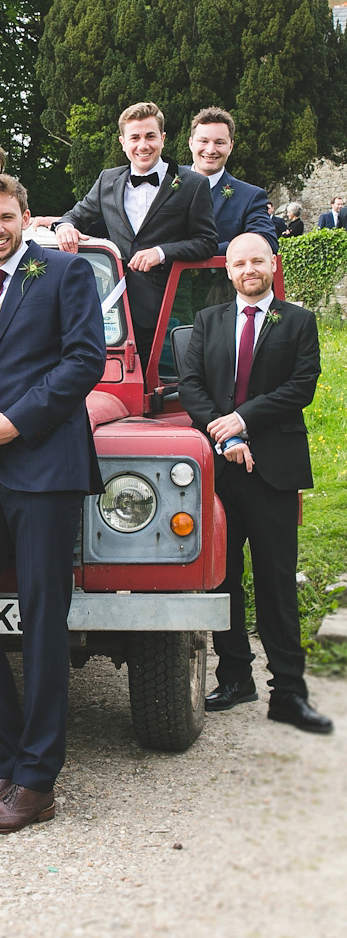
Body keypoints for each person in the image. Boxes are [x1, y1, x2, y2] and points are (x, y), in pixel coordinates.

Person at [0, 174, 106, 834]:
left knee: (42, 619)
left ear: (26, 218)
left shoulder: (65, 273)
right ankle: (4, 763)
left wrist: (15, 422)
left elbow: (83, 362)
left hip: (46, 463)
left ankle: (37, 782)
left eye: (7, 216)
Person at [178, 232, 332, 734]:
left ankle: (288, 690)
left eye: (257, 261)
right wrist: (223, 438)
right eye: (239, 262)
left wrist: (241, 421)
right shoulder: (208, 321)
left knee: (275, 581)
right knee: (223, 580)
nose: (249, 269)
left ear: (272, 264)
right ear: (228, 270)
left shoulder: (299, 321)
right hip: (221, 471)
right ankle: (236, 677)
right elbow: (192, 387)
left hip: (274, 470)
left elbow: (300, 388)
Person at [55, 101, 217, 369]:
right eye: (135, 138)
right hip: (114, 312)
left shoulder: (192, 184)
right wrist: (65, 227)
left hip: (168, 309)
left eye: (150, 136)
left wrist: (161, 252)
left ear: (163, 139)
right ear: (122, 142)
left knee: (169, 384)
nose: (143, 145)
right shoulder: (107, 180)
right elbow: (73, 216)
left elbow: (207, 242)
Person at [181, 107, 278, 252]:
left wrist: (198, 252)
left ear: (230, 146)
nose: (211, 150)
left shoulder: (250, 197)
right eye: (204, 141)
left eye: (219, 143)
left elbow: (265, 242)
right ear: (191, 143)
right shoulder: (165, 181)